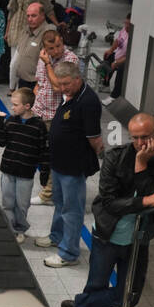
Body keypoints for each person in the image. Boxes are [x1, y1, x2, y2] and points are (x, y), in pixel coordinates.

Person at [63, 113, 154, 307]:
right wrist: (144, 201)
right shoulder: (115, 157)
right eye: (135, 138)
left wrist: (141, 168)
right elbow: (109, 202)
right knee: (97, 283)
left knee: (130, 295)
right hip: (108, 233)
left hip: (140, 236)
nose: (140, 143)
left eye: (145, 137)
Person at [33, 61, 102, 269]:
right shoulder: (71, 96)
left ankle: (69, 252)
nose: (62, 88)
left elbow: (95, 138)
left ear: (77, 79)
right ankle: (57, 236)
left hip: (73, 166)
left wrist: (97, 155)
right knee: (60, 204)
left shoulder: (88, 101)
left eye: (66, 84)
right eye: (60, 84)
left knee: (72, 210)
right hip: (60, 163)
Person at [29, 26, 77, 203]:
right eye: (52, 48)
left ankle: (48, 194)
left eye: (59, 46)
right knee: (41, 153)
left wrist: (49, 63)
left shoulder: (70, 59)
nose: (56, 51)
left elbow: (58, 86)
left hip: (57, 115)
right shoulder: (43, 57)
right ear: (45, 48)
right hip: (39, 111)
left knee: (54, 155)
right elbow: (39, 81)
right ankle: (46, 186)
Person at [0, 88, 49, 243]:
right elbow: (2, 142)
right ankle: (11, 229)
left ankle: (20, 230)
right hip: (8, 170)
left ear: (27, 106)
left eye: (15, 105)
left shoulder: (38, 126)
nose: (12, 107)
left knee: (22, 205)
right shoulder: (11, 121)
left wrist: (44, 177)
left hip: (26, 173)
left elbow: (44, 152)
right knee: (7, 203)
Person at [101, 12, 132, 99]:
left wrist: (117, 62)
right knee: (107, 58)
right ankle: (105, 84)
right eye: (125, 23)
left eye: (128, 24)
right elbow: (117, 41)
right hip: (118, 55)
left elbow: (130, 56)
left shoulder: (134, 37)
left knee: (121, 69)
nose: (126, 26)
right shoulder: (124, 30)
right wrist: (110, 50)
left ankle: (114, 96)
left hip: (125, 60)